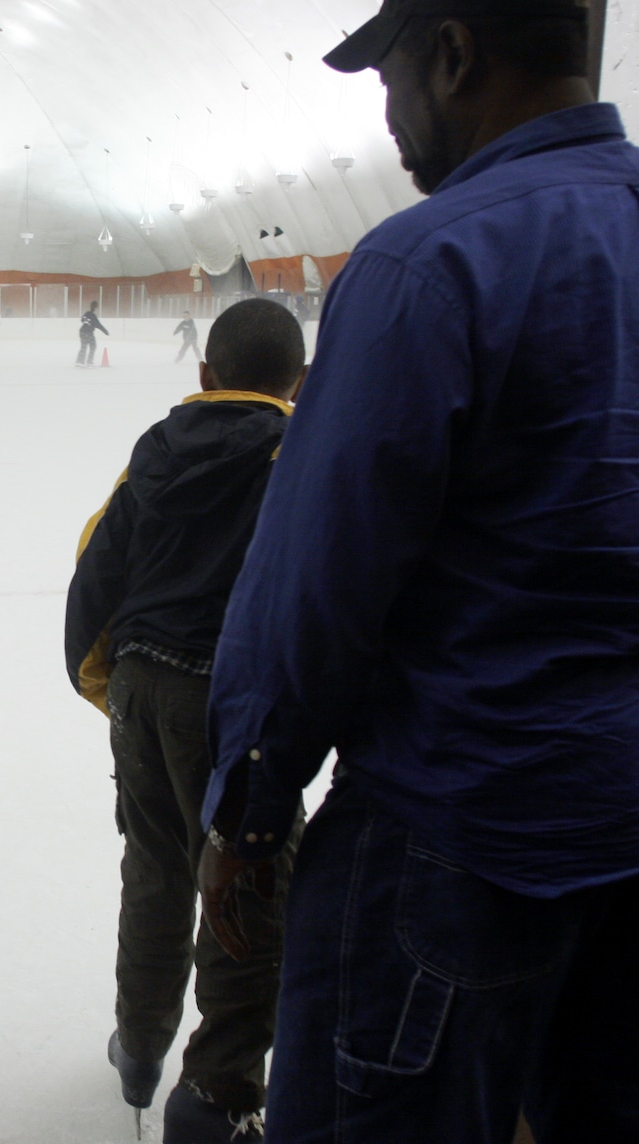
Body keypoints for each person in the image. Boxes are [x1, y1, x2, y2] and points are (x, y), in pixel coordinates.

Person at [197, 4, 639, 1143]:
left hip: (456, 845)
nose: (388, 118)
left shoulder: (429, 259)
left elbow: (315, 581)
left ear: (452, 55)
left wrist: (248, 810)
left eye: (390, 75)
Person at [66, 299, 308, 1144]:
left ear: (203, 376)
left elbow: (98, 562)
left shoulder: (155, 453)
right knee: (248, 879)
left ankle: (139, 1044)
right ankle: (221, 1084)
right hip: (237, 704)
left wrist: (109, 686)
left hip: (142, 682)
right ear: (301, 382)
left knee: (158, 868)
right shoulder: (302, 455)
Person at [76, 299, 109, 367]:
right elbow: (98, 325)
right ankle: (89, 361)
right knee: (93, 346)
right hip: (88, 333)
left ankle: (79, 361)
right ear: (95, 307)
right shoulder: (93, 316)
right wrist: (105, 331)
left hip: (82, 332)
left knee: (83, 346)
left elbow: (82, 319)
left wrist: (87, 322)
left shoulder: (87, 313)